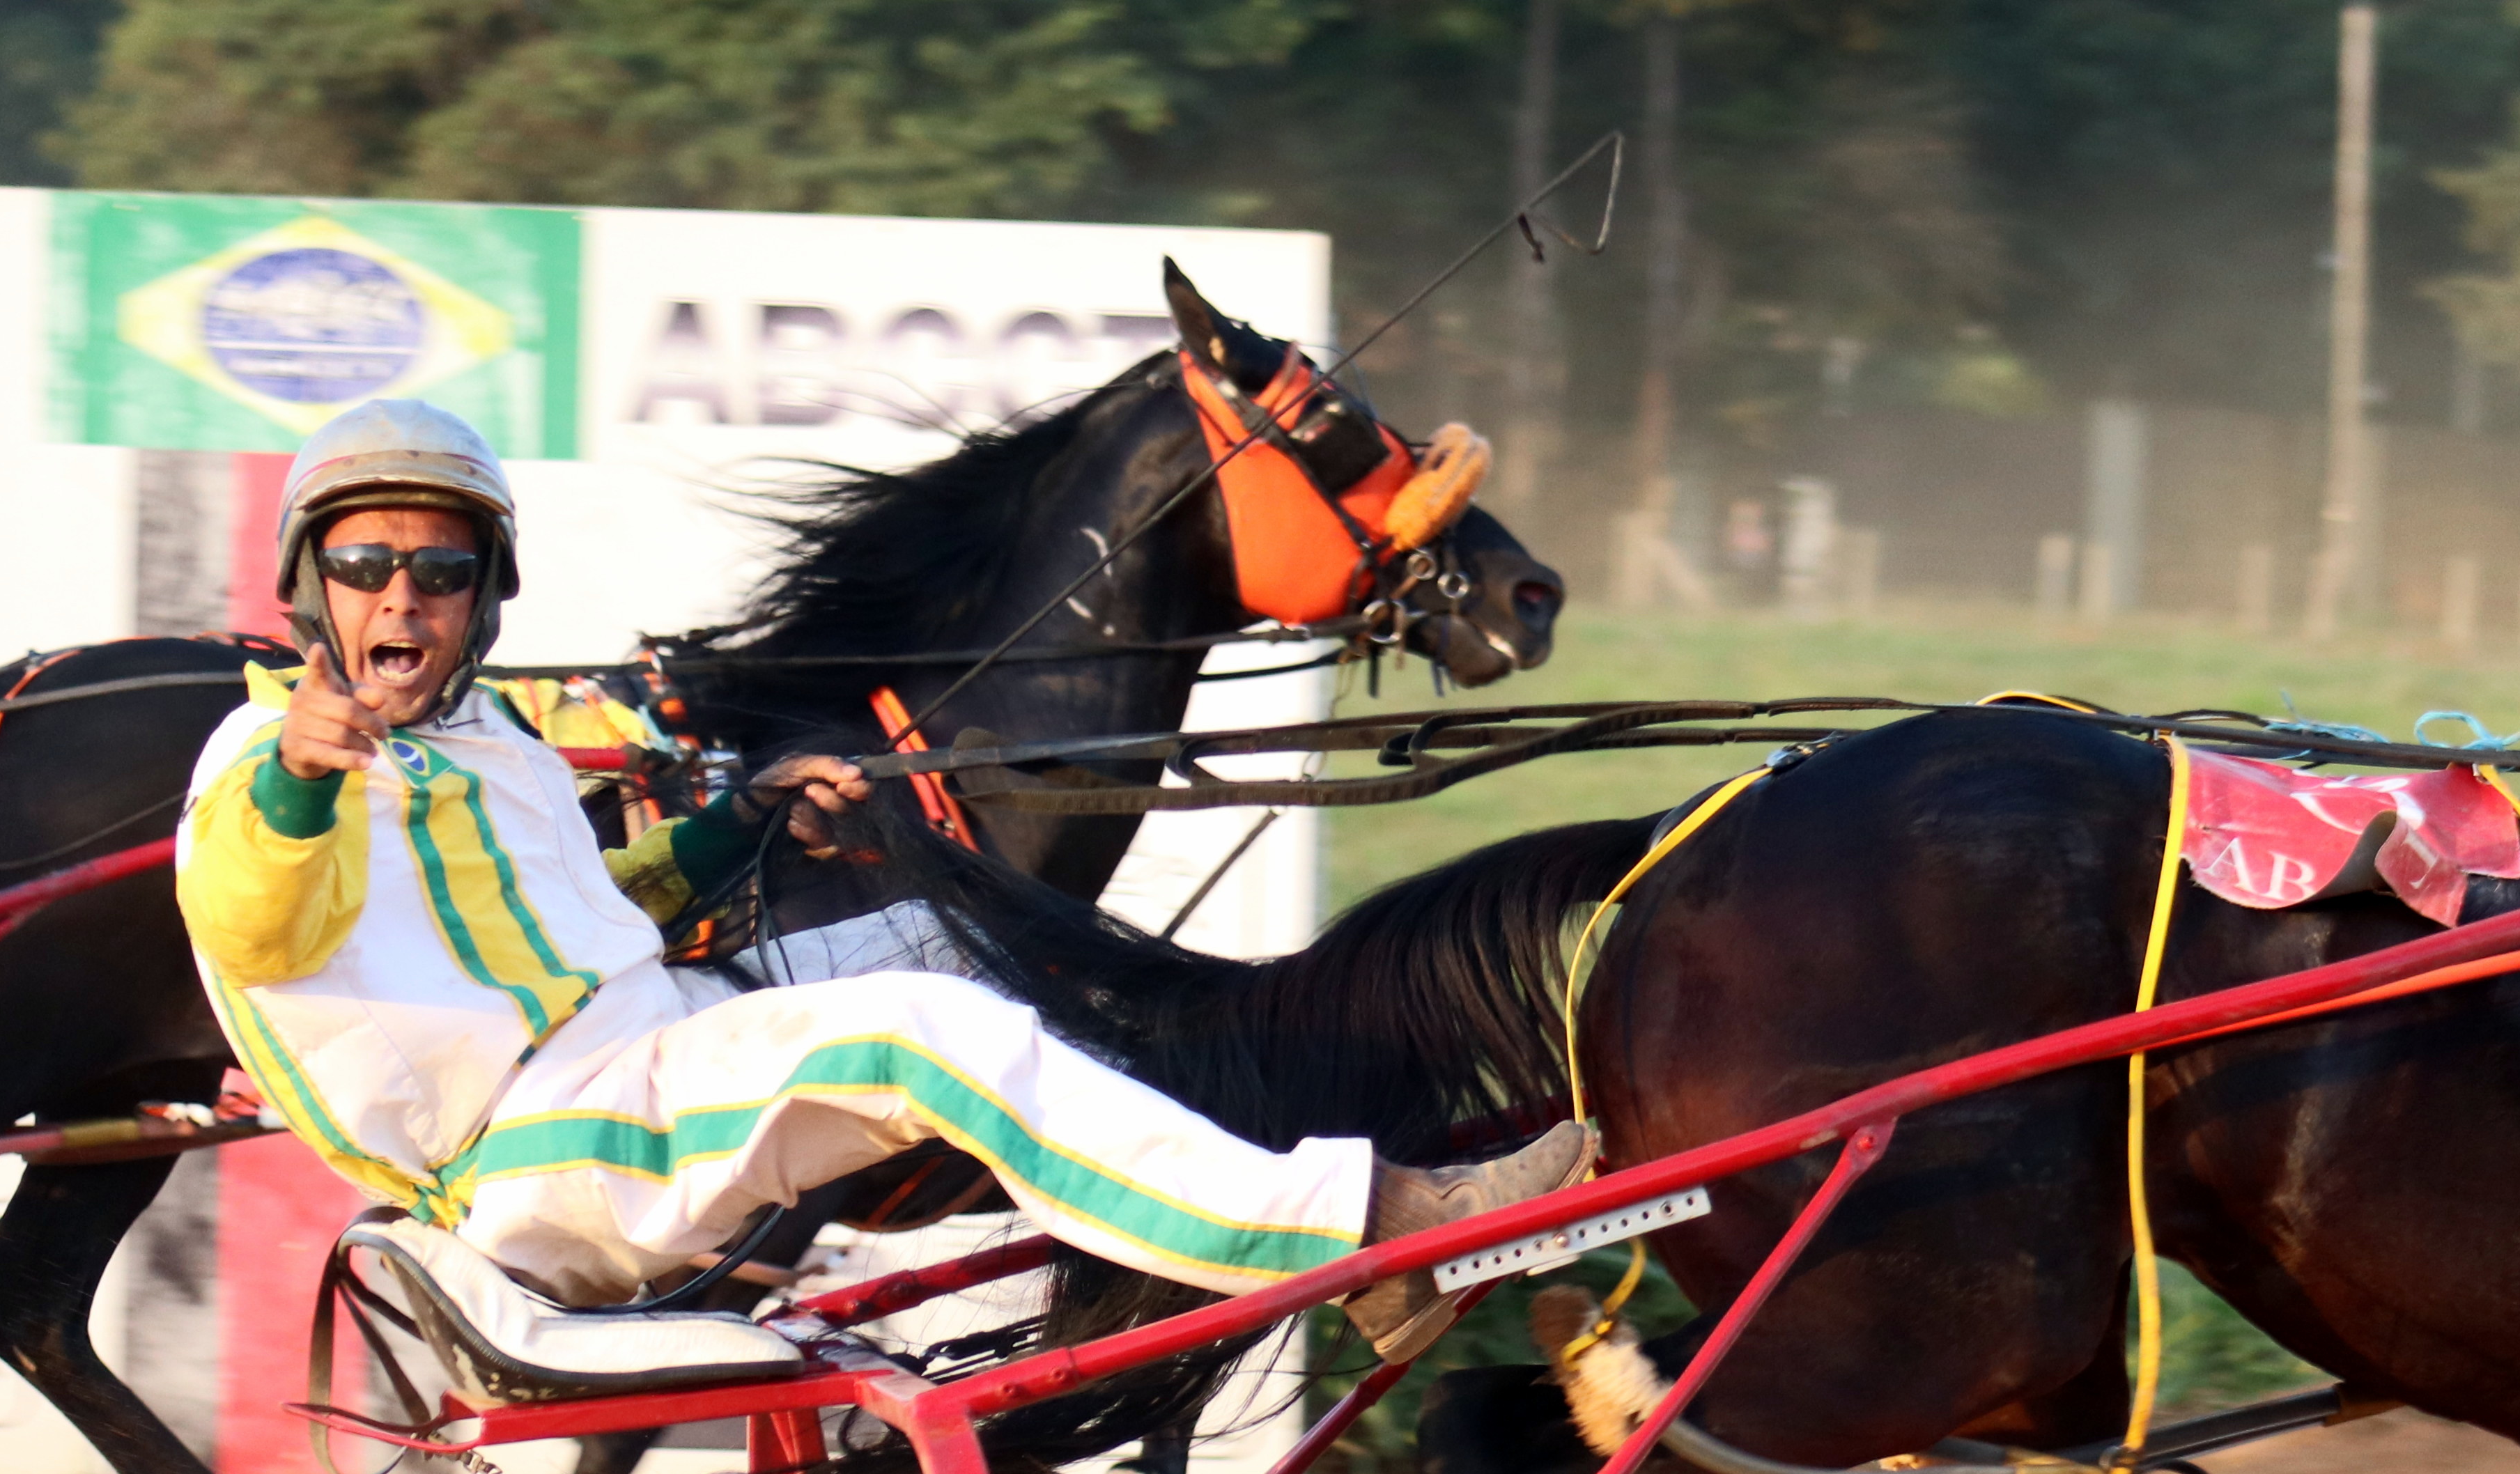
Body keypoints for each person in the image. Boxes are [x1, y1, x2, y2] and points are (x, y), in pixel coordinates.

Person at [173, 398, 1575, 1360]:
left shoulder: (489, 740)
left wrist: (740, 828)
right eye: (366, 564)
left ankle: (1292, 1185)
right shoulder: (259, 762)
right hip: (540, 1161)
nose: (402, 595)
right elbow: (250, 923)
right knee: (919, 1035)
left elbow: (595, 919)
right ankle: (1360, 1235)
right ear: (312, 585)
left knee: (978, 942)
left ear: (484, 595)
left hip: (641, 1040)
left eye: (440, 567)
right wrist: (299, 777)